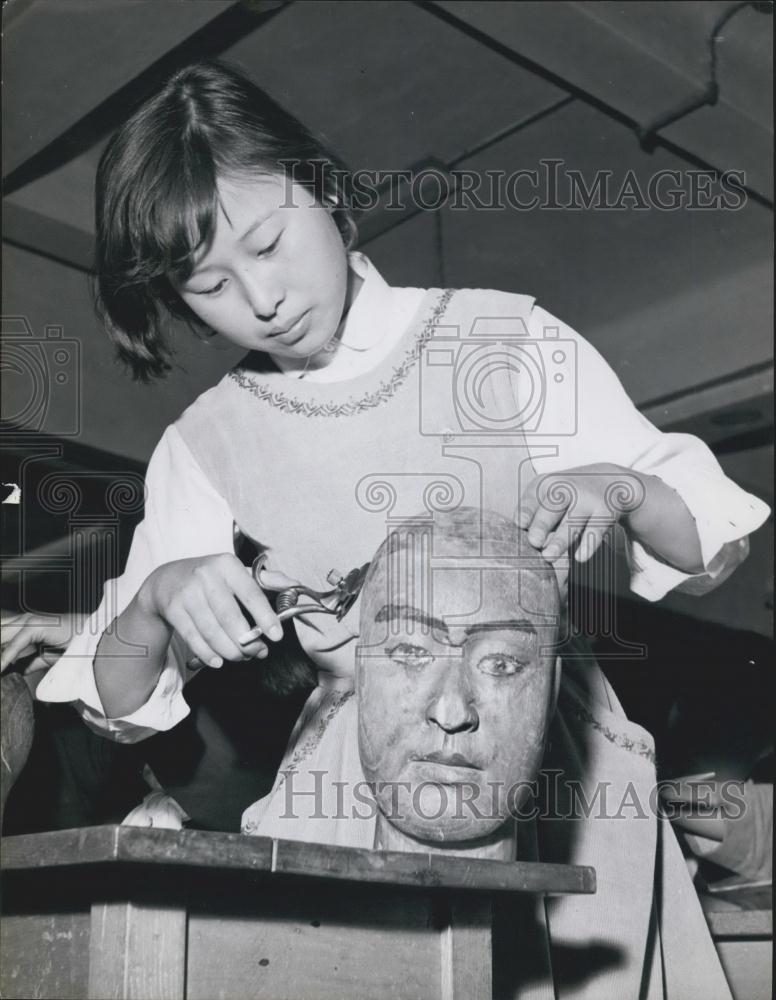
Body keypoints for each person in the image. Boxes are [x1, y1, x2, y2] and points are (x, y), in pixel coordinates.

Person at [6, 60, 768, 997]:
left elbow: (711, 547)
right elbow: (119, 706)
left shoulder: (507, 342)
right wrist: (160, 599)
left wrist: (618, 485)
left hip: (560, 787)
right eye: (208, 282)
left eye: (271, 241)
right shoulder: (207, 443)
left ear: (324, 190)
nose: (263, 297)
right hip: (343, 808)